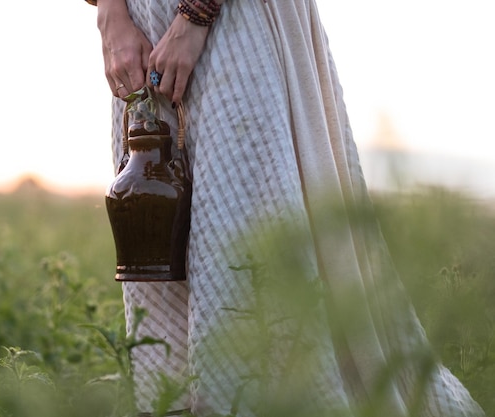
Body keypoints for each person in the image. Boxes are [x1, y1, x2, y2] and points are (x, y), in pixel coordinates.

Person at [87, 1, 485, 416]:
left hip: (236, 23)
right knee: (158, 257)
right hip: (141, 26)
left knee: (247, 257)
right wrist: (111, 16)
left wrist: (195, 15)